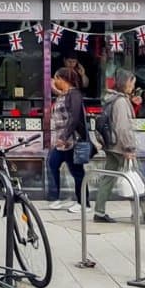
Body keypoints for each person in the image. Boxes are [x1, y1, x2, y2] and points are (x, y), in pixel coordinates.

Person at [92, 68, 145, 225]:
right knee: (136, 178)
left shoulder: (112, 99)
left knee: (108, 178)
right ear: (124, 83)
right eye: (131, 83)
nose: (133, 87)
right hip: (121, 147)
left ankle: (99, 211)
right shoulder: (121, 102)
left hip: (112, 146)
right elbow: (123, 127)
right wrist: (129, 148)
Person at [45, 65, 87, 212]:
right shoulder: (64, 94)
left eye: (56, 78)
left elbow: (75, 118)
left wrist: (64, 136)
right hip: (61, 141)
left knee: (77, 171)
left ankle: (84, 203)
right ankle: (54, 198)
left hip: (71, 141)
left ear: (63, 79)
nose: (55, 81)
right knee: (52, 164)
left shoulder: (74, 94)